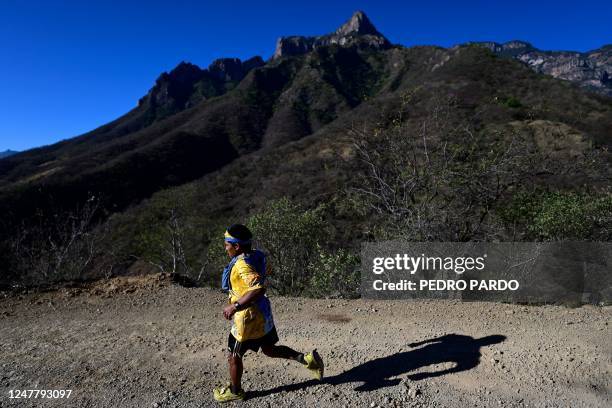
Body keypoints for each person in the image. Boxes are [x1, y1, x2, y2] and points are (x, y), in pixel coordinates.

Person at [213, 224, 324, 403]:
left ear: (237, 246)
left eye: (227, 244)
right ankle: (308, 360)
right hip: (263, 313)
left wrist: (235, 306)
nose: (225, 248)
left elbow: (256, 288)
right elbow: (265, 273)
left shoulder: (242, 265)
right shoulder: (257, 254)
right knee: (269, 349)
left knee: (234, 355)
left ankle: (235, 391)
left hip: (247, 317)